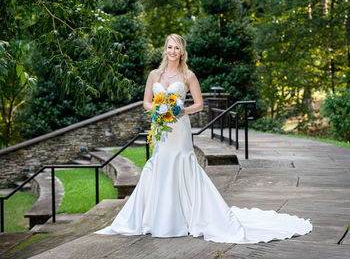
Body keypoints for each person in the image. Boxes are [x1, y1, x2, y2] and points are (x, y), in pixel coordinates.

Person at [94, 34, 312, 243]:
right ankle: (154, 218)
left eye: (176, 48)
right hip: (161, 127)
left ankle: (189, 216)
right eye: (169, 47)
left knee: (181, 163)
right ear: (165, 49)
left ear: (182, 52)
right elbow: (145, 102)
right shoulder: (154, 75)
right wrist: (159, 109)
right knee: (160, 164)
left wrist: (182, 110)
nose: (172, 51)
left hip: (179, 127)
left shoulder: (188, 76)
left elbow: (198, 104)